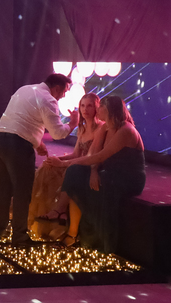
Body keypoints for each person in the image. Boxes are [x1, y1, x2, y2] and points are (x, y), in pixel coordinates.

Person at [47, 94, 146, 253]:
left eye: (100, 108)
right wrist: (93, 170)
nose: (97, 110)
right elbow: (92, 154)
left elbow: (101, 156)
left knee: (97, 180)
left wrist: (63, 163)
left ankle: (93, 237)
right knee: (75, 172)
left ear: (109, 110)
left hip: (128, 177)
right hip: (108, 171)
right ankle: (66, 220)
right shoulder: (106, 127)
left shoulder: (126, 130)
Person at [0, 73, 79, 246]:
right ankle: (19, 236)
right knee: (22, 192)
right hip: (18, 148)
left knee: (2, 188)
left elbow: (20, 121)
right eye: (64, 91)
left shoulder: (24, 89)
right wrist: (73, 123)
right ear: (57, 88)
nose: (63, 96)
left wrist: (37, 143)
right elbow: (57, 133)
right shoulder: (48, 99)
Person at [30, 92, 101, 240]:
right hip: (77, 163)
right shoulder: (82, 128)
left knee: (65, 171)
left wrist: (62, 163)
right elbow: (75, 154)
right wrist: (57, 159)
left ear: (96, 108)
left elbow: (90, 157)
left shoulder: (101, 128)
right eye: (82, 106)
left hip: (90, 166)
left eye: (89, 106)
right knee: (47, 167)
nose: (85, 109)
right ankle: (45, 218)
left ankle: (59, 213)